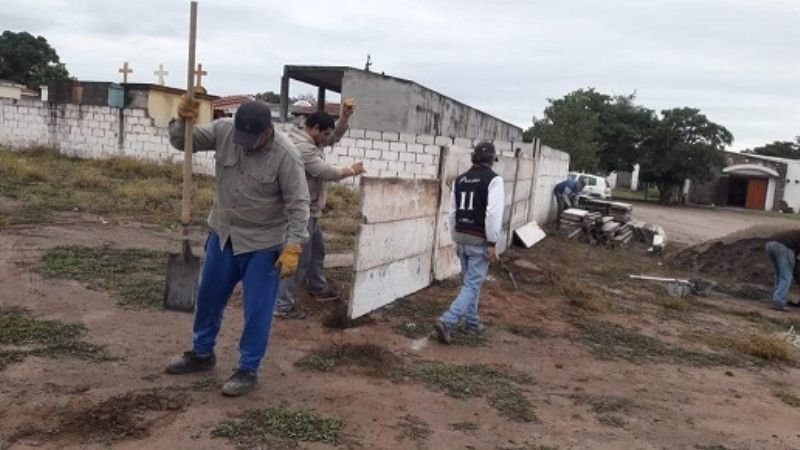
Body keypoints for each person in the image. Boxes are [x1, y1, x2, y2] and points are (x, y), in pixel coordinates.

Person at [164, 97, 310, 397]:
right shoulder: (224, 130)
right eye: (241, 138)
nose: (244, 144)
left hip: (263, 244)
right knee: (208, 297)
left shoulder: (286, 156)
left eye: (251, 139)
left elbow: (299, 206)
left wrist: (293, 246)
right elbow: (183, 143)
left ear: (268, 131)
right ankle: (202, 353)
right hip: (223, 234)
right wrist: (183, 120)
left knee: (257, 310)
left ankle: (247, 369)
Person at [274, 106, 366, 319]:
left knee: (317, 252)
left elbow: (334, 137)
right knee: (297, 259)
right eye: (324, 133)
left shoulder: (311, 141)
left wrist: (344, 118)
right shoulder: (301, 147)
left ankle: (317, 286)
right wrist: (351, 171)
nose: (327, 139)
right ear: (315, 128)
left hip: (311, 210)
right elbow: (323, 172)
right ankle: (282, 304)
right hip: (299, 212)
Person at [434, 141, 504, 344]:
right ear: (491, 159)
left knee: (469, 283)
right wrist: (492, 242)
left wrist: (456, 236)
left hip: (462, 236)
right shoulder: (494, 180)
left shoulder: (460, 180)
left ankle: (472, 322)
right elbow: (493, 214)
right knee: (473, 285)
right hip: (479, 238)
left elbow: (453, 211)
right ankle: (447, 320)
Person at [765, 229, 800, 312]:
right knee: (786, 276)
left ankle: (776, 298)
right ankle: (778, 301)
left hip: (769, 244)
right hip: (784, 246)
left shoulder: (796, 234)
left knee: (779, 274)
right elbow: (798, 261)